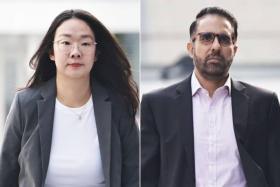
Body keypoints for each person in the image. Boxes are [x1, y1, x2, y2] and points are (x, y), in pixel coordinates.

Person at [141, 6, 280, 187]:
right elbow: (147, 177)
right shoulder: (157, 105)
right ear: (191, 48)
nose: (215, 46)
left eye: (224, 39)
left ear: (234, 49)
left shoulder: (263, 103)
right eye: (206, 38)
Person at [0, 9, 139, 187]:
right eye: (65, 42)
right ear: (51, 52)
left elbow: (134, 175)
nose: (75, 52)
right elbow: (6, 174)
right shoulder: (25, 105)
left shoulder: (118, 105)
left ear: (96, 53)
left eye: (85, 43)